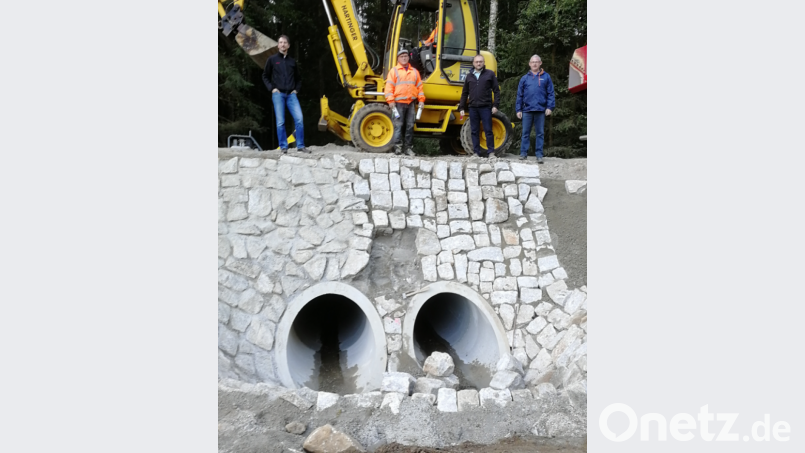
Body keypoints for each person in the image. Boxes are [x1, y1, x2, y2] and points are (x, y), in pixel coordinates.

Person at [262, 35, 307, 154]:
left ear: (288, 45)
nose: (282, 44)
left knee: (299, 119)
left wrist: (296, 90)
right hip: (278, 94)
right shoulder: (272, 59)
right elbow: (265, 75)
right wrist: (271, 88)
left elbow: (298, 78)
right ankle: (283, 147)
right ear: (278, 45)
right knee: (280, 121)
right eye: (280, 42)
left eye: (285, 42)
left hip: (291, 95)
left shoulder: (292, 62)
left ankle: (300, 146)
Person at [459, 54, 501, 158]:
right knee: (474, 131)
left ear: (484, 63)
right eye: (477, 62)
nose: (478, 63)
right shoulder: (469, 76)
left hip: (486, 107)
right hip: (473, 107)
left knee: (488, 130)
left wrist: (495, 105)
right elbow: (464, 93)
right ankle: (476, 153)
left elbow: (496, 91)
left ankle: (491, 152)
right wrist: (461, 107)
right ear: (473, 63)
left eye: (480, 61)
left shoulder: (490, 74)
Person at [384, 49, 425, 156]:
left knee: (410, 126)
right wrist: (390, 101)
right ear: (398, 58)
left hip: (411, 103)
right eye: (401, 56)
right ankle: (397, 148)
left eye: (405, 56)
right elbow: (389, 87)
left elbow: (420, 88)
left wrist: (421, 100)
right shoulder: (394, 71)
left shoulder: (415, 72)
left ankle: (408, 148)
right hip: (398, 103)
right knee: (398, 125)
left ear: (408, 57)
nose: (404, 58)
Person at [515, 54, 555, 163]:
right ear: (529, 64)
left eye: (536, 62)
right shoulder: (524, 78)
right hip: (527, 110)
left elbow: (551, 93)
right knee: (525, 133)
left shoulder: (546, 77)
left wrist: (550, 107)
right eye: (532, 62)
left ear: (540, 63)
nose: (534, 64)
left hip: (541, 110)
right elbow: (519, 95)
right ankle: (523, 154)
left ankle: (539, 155)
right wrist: (518, 109)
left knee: (540, 133)